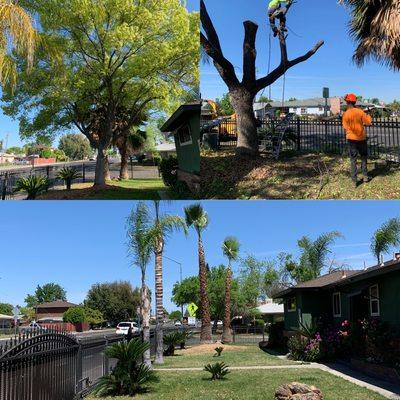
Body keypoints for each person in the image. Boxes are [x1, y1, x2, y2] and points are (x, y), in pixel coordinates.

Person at [342, 93, 372, 188]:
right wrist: (368, 115)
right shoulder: (360, 112)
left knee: (353, 160)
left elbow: (345, 127)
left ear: (347, 102)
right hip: (361, 139)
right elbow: (368, 122)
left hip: (351, 140)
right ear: (354, 102)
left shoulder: (345, 114)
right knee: (363, 157)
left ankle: (354, 182)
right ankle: (365, 176)